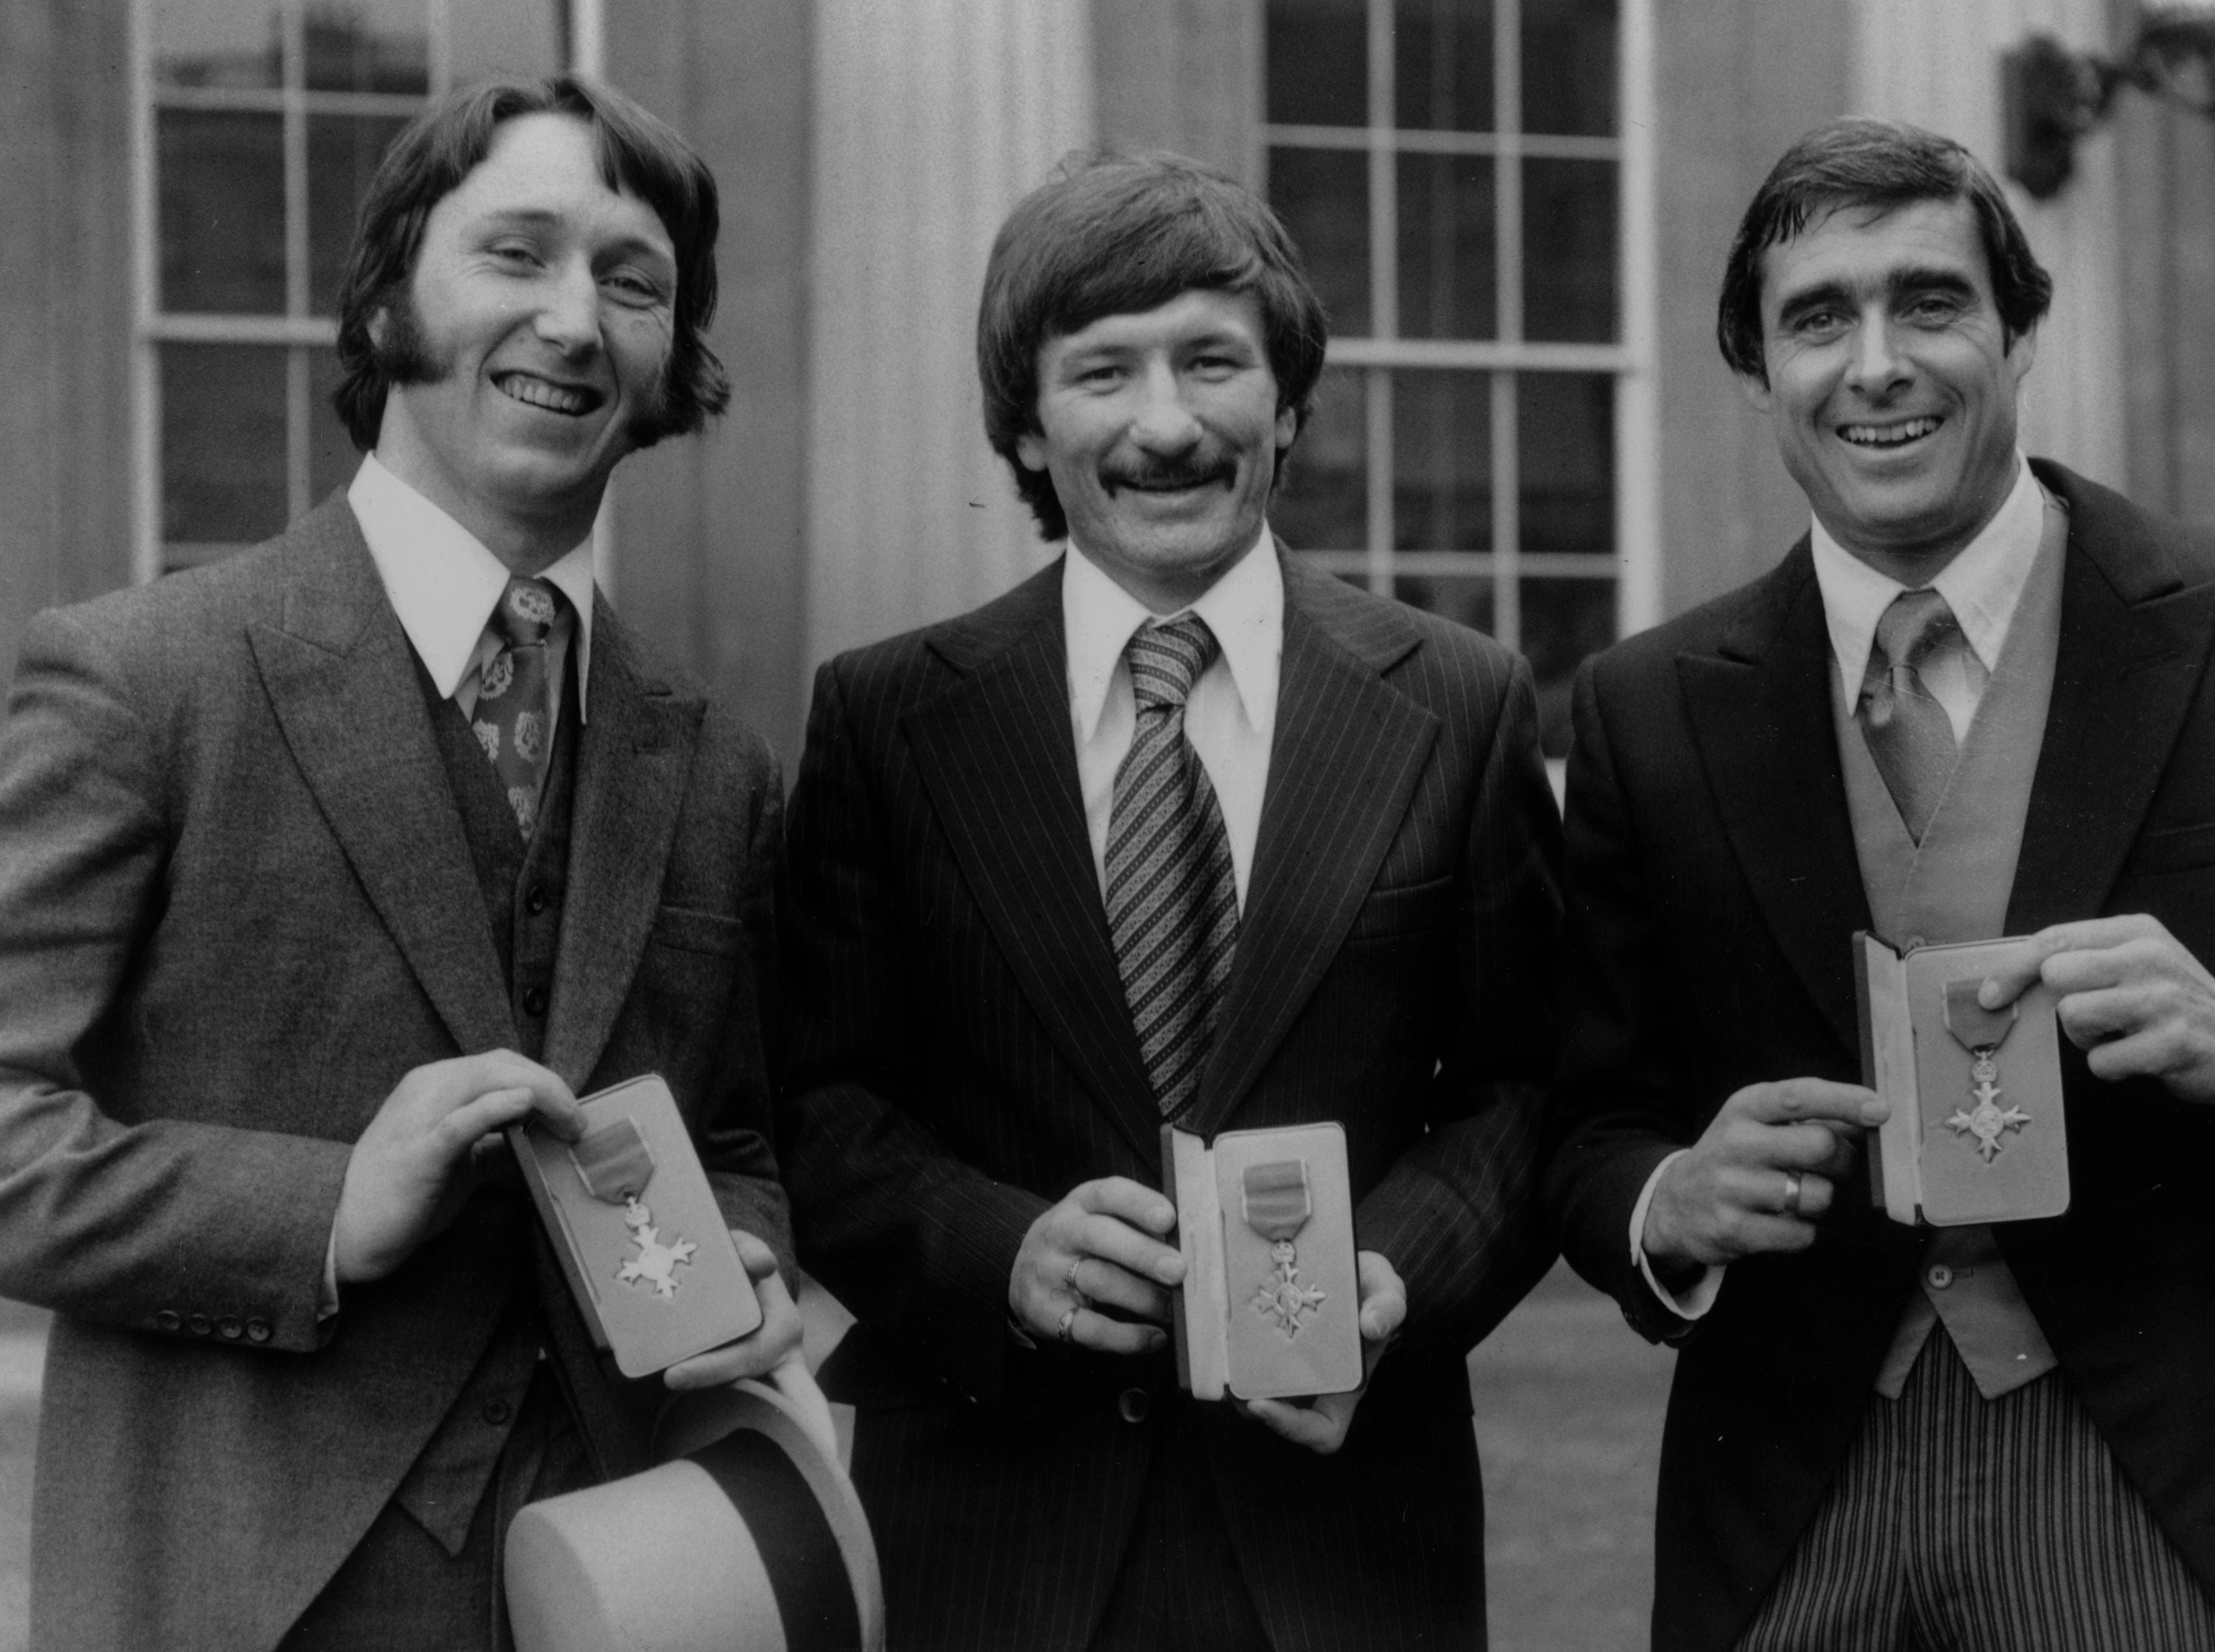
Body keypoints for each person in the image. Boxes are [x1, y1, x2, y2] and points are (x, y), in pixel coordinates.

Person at [0, 75, 811, 1651]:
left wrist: (743, 1251)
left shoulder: (712, 763)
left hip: (633, 1585)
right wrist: (321, 1208)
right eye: (516, 254)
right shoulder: (141, 678)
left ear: (670, 366)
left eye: (631, 280)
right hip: (240, 1591)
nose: (574, 320)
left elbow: (734, 1132)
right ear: (383, 306)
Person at [776, 151, 1561, 1652]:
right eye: (1102, 372)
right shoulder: (887, 719)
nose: (1164, 423)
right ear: (1025, 421)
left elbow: (1526, 1089)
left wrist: (1391, 1272)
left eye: (1213, 362)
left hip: (1346, 1537)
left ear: (1288, 405)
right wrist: (996, 1245)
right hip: (995, 1537)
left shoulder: (1457, 704)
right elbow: (815, 1101)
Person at [1546, 116, 2215, 1650]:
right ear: (1758, 370)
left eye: (1928, 302)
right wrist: (1670, 1194)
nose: (1876, 364)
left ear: (2018, 328)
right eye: (1816, 320)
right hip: (1787, 1488)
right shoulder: (1647, 709)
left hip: (2147, 1476)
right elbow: (1583, 1118)